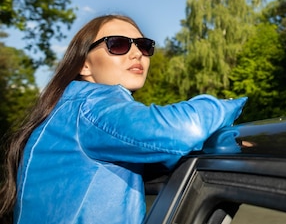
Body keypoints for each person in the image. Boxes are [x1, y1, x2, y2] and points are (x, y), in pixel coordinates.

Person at [0, 14, 247, 224]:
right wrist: (232, 105)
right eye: (117, 44)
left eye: (143, 46)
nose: (136, 54)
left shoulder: (64, 113)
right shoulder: (91, 106)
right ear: (84, 65)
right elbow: (183, 130)